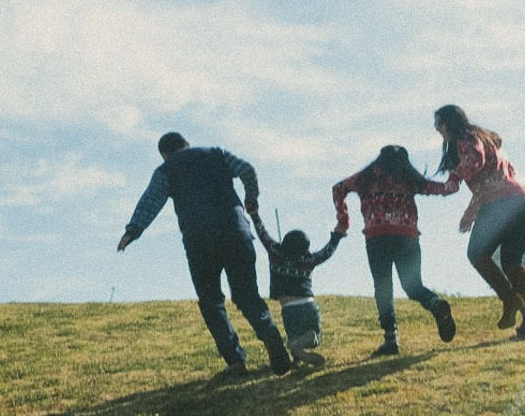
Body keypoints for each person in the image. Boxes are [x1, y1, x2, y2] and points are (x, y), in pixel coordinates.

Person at [119, 132, 293, 376]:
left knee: (211, 302)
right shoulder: (216, 154)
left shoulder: (166, 169)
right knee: (247, 295)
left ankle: (235, 362)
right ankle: (270, 335)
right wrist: (251, 198)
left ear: (165, 153)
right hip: (237, 232)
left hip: (199, 239)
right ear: (186, 144)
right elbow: (247, 170)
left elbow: (151, 200)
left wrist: (133, 231)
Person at [332, 145, 456, 354]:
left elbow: (338, 188)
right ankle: (436, 304)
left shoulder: (366, 176)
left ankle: (391, 340)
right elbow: (444, 189)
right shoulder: (409, 178)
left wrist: (343, 221)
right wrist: (456, 176)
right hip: (406, 236)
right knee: (413, 286)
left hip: (376, 237)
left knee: (383, 288)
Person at [433, 104, 525, 339]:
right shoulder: (483, 137)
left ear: (448, 124)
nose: (437, 130)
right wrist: (469, 208)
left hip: (501, 203)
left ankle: (510, 301)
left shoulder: (466, 139)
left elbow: (476, 159)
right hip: (523, 199)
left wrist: (456, 179)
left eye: (438, 124)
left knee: (477, 253)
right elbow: (484, 178)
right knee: (512, 262)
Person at [251, 211, 345, 370]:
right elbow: (326, 252)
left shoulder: (275, 253)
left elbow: (263, 234)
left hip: (290, 309)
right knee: (312, 338)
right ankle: (307, 343)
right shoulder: (308, 260)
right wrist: (337, 235)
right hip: (309, 306)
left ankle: (296, 352)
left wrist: (255, 215)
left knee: (293, 338)